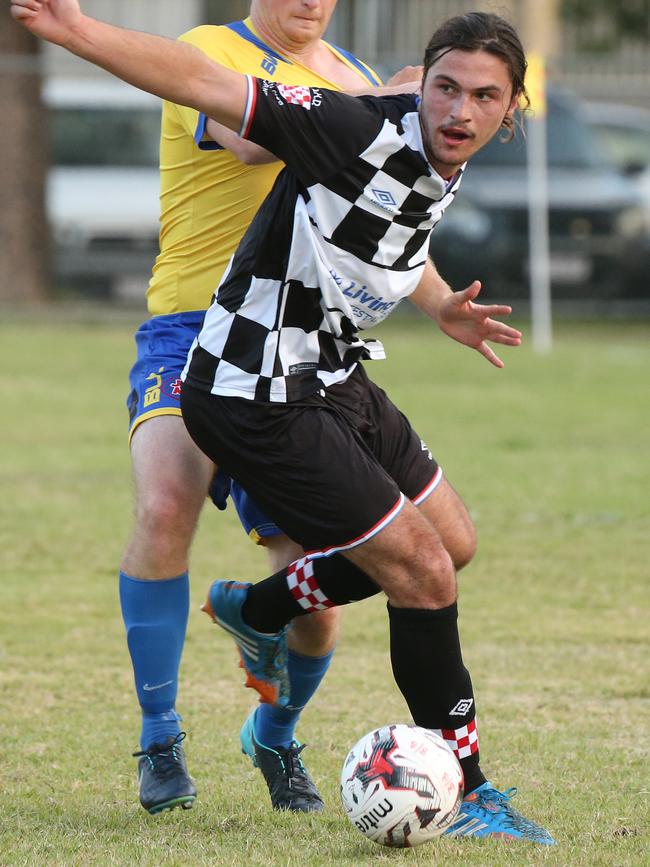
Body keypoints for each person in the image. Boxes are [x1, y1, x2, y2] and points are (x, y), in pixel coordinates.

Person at [10, 0, 554, 844]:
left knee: (451, 543)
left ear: (510, 106)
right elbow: (208, 88)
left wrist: (444, 302)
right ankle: (471, 790)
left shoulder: (420, 124)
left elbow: (382, 232)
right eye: (445, 89)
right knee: (418, 571)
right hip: (249, 379)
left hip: (329, 366)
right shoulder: (348, 111)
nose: (459, 109)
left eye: (484, 96)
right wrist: (75, 29)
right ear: (424, 84)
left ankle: (260, 610)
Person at [118, 1, 421, 815]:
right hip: (191, 327)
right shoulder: (207, 50)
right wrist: (392, 103)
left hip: (294, 346)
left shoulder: (352, 77)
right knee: (165, 504)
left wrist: (441, 300)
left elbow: (374, 213)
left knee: (320, 569)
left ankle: (276, 731)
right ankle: (158, 734)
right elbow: (258, 132)